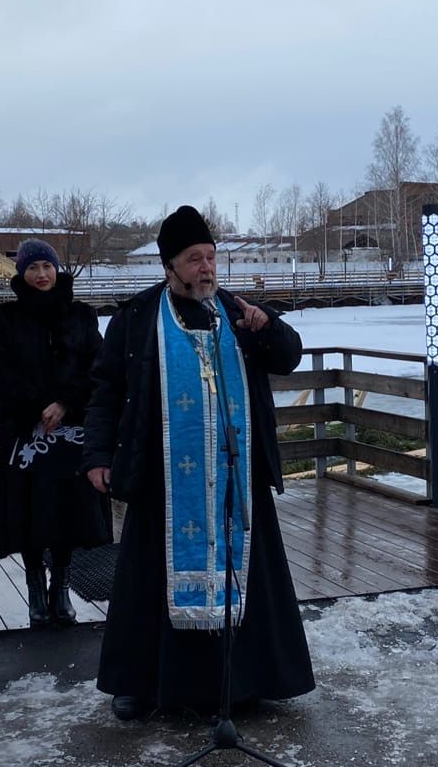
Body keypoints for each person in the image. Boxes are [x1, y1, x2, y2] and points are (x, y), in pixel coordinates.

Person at [82, 205, 315, 720]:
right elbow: (104, 391)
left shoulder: (239, 312)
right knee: (149, 580)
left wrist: (268, 328)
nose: (206, 268)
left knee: (246, 575)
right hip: (164, 480)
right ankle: (139, 684)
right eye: (194, 259)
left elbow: (290, 356)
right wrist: (99, 455)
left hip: (236, 478)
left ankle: (248, 682)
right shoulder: (137, 318)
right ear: (169, 266)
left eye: (211, 258)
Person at [0, 239, 109, 627]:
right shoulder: (1, 320)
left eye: (47, 267)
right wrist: (36, 407)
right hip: (24, 432)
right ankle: (35, 586)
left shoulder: (81, 316)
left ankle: (62, 585)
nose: (41, 275)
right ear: (21, 272)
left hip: (70, 432)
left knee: (68, 510)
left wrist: (65, 403)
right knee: (28, 509)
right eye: (33, 268)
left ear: (57, 270)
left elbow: (98, 368)